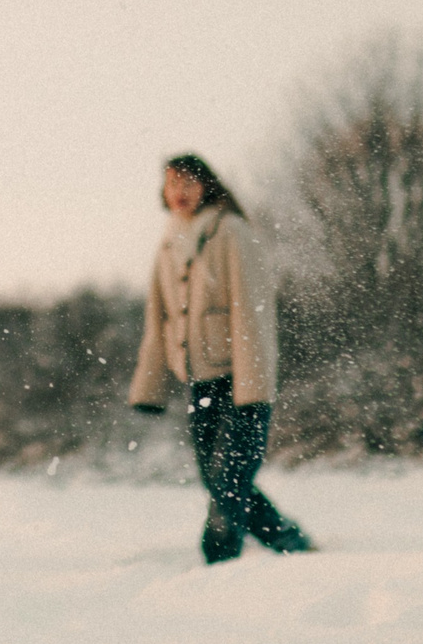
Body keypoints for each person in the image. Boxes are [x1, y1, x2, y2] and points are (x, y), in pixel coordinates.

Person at [127, 153, 313, 564]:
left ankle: (220, 558)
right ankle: (288, 539)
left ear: (206, 186)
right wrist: (148, 388)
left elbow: (252, 312)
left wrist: (253, 390)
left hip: (240, 379)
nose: (179, 191)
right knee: (215, 477)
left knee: (229, 478)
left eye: (188, 182)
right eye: (172, 183)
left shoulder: (231, 232)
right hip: (200, 380)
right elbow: (159, 319)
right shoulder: (168, 241)